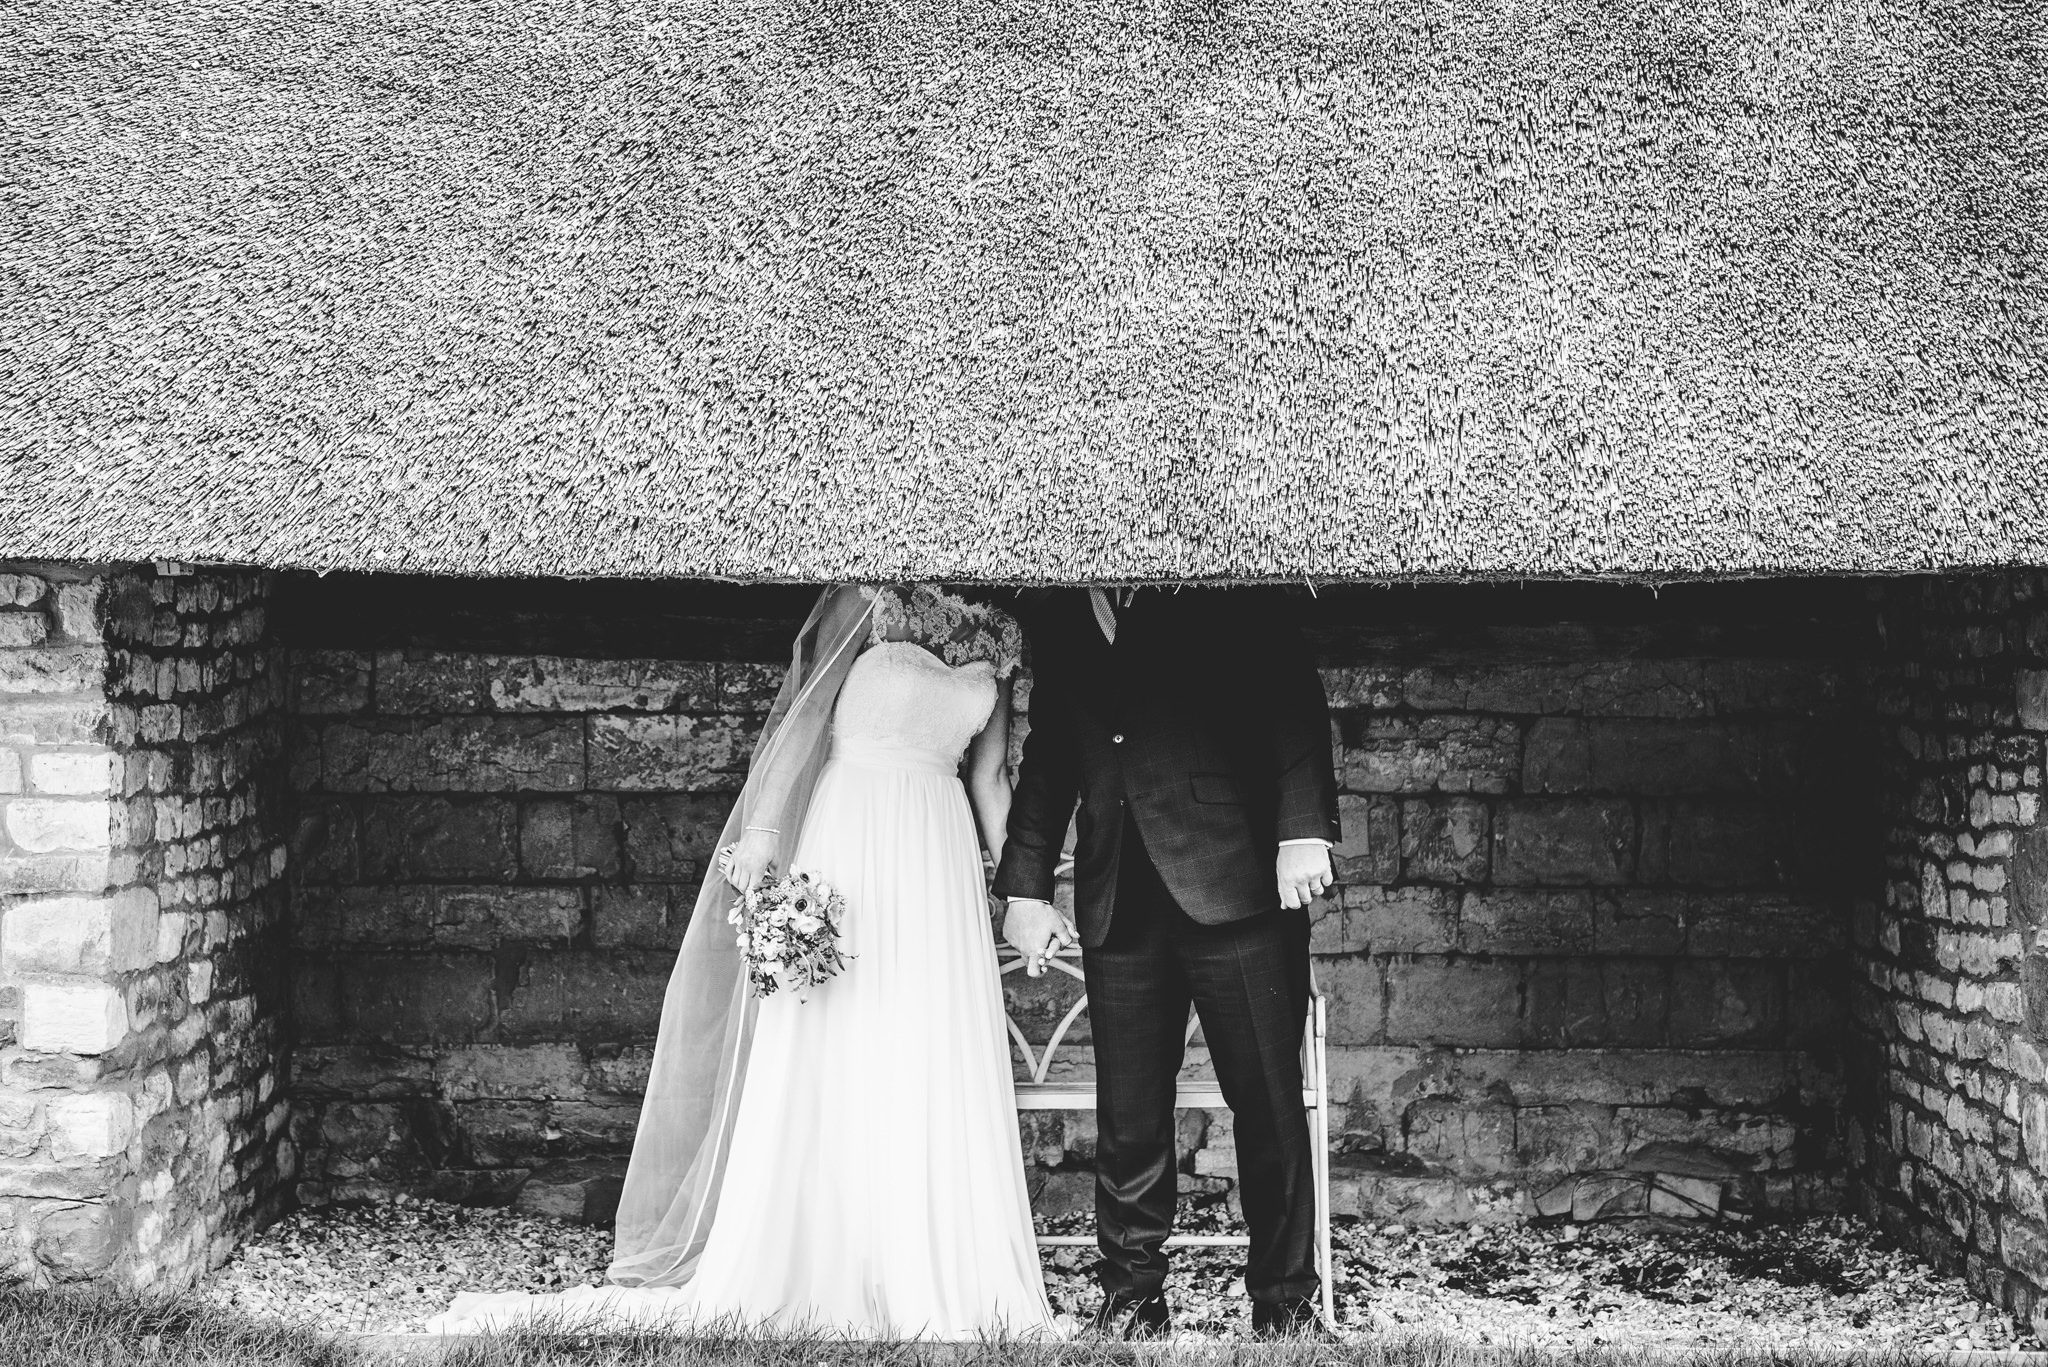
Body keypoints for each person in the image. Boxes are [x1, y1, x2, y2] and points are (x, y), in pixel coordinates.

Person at [428, 584, 1063, 1340]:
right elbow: (802, 722)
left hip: (937, 852)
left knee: (925, 1047)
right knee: (836, 1035)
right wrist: (762, 832)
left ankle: (921, 1262)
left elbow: (988, 779)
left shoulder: (999, 631)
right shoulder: (865, 600)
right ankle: (826, 1259)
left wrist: (1025, 891)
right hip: (852, 833)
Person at [993, 585, 1340, 1340]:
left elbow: (1291, 694)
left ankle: (1285, 1302)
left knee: (1270, 1108)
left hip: (1236, 881)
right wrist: (1024, 885)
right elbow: (1051, 750)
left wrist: (1304, 829)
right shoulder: (1060, 611)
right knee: (1129, 1117)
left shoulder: (1222, 577)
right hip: (1118, 896)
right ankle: (1132, 1301)